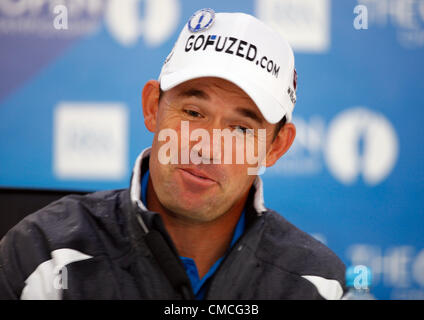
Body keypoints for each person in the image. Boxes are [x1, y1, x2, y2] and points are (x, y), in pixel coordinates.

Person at [0, 9, 346, 300]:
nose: (207, 148)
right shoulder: (42, 254)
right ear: (153, 107)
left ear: (275, 147)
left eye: (241, 130)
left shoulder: (317, 283)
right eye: (194, 113)